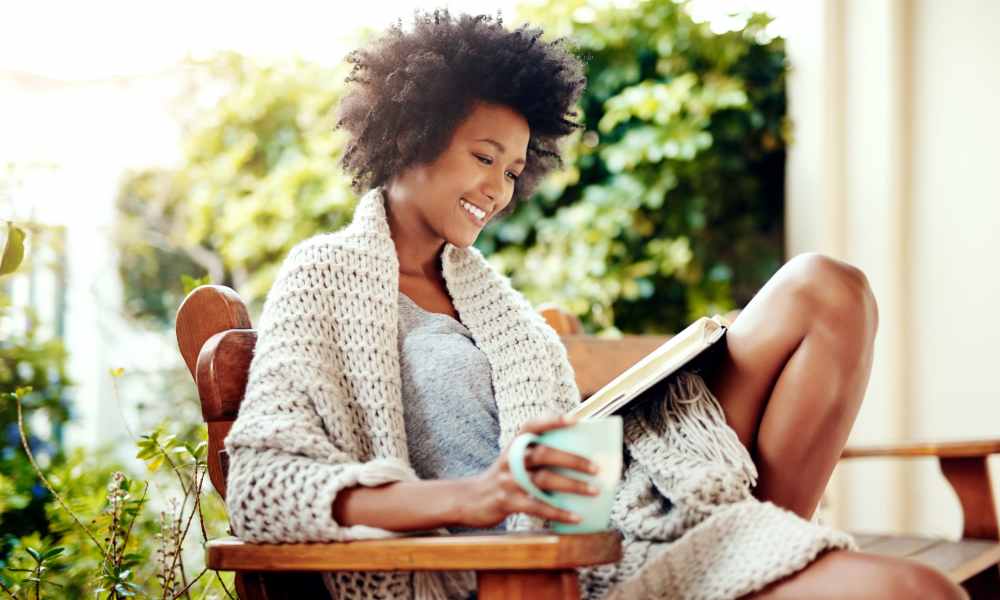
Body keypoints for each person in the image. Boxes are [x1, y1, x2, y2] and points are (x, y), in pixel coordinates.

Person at [223, 8, 967, 600]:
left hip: (628, 513)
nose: (499, 188)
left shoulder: (498, 308)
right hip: (524, 569)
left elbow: (562, 450)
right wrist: (473, 496)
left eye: (514, 170)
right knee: (910, 588)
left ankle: (758, 546)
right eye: (484, 157)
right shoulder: (324, 276)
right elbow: (262, 482)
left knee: (826, 290)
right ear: (410, 135)